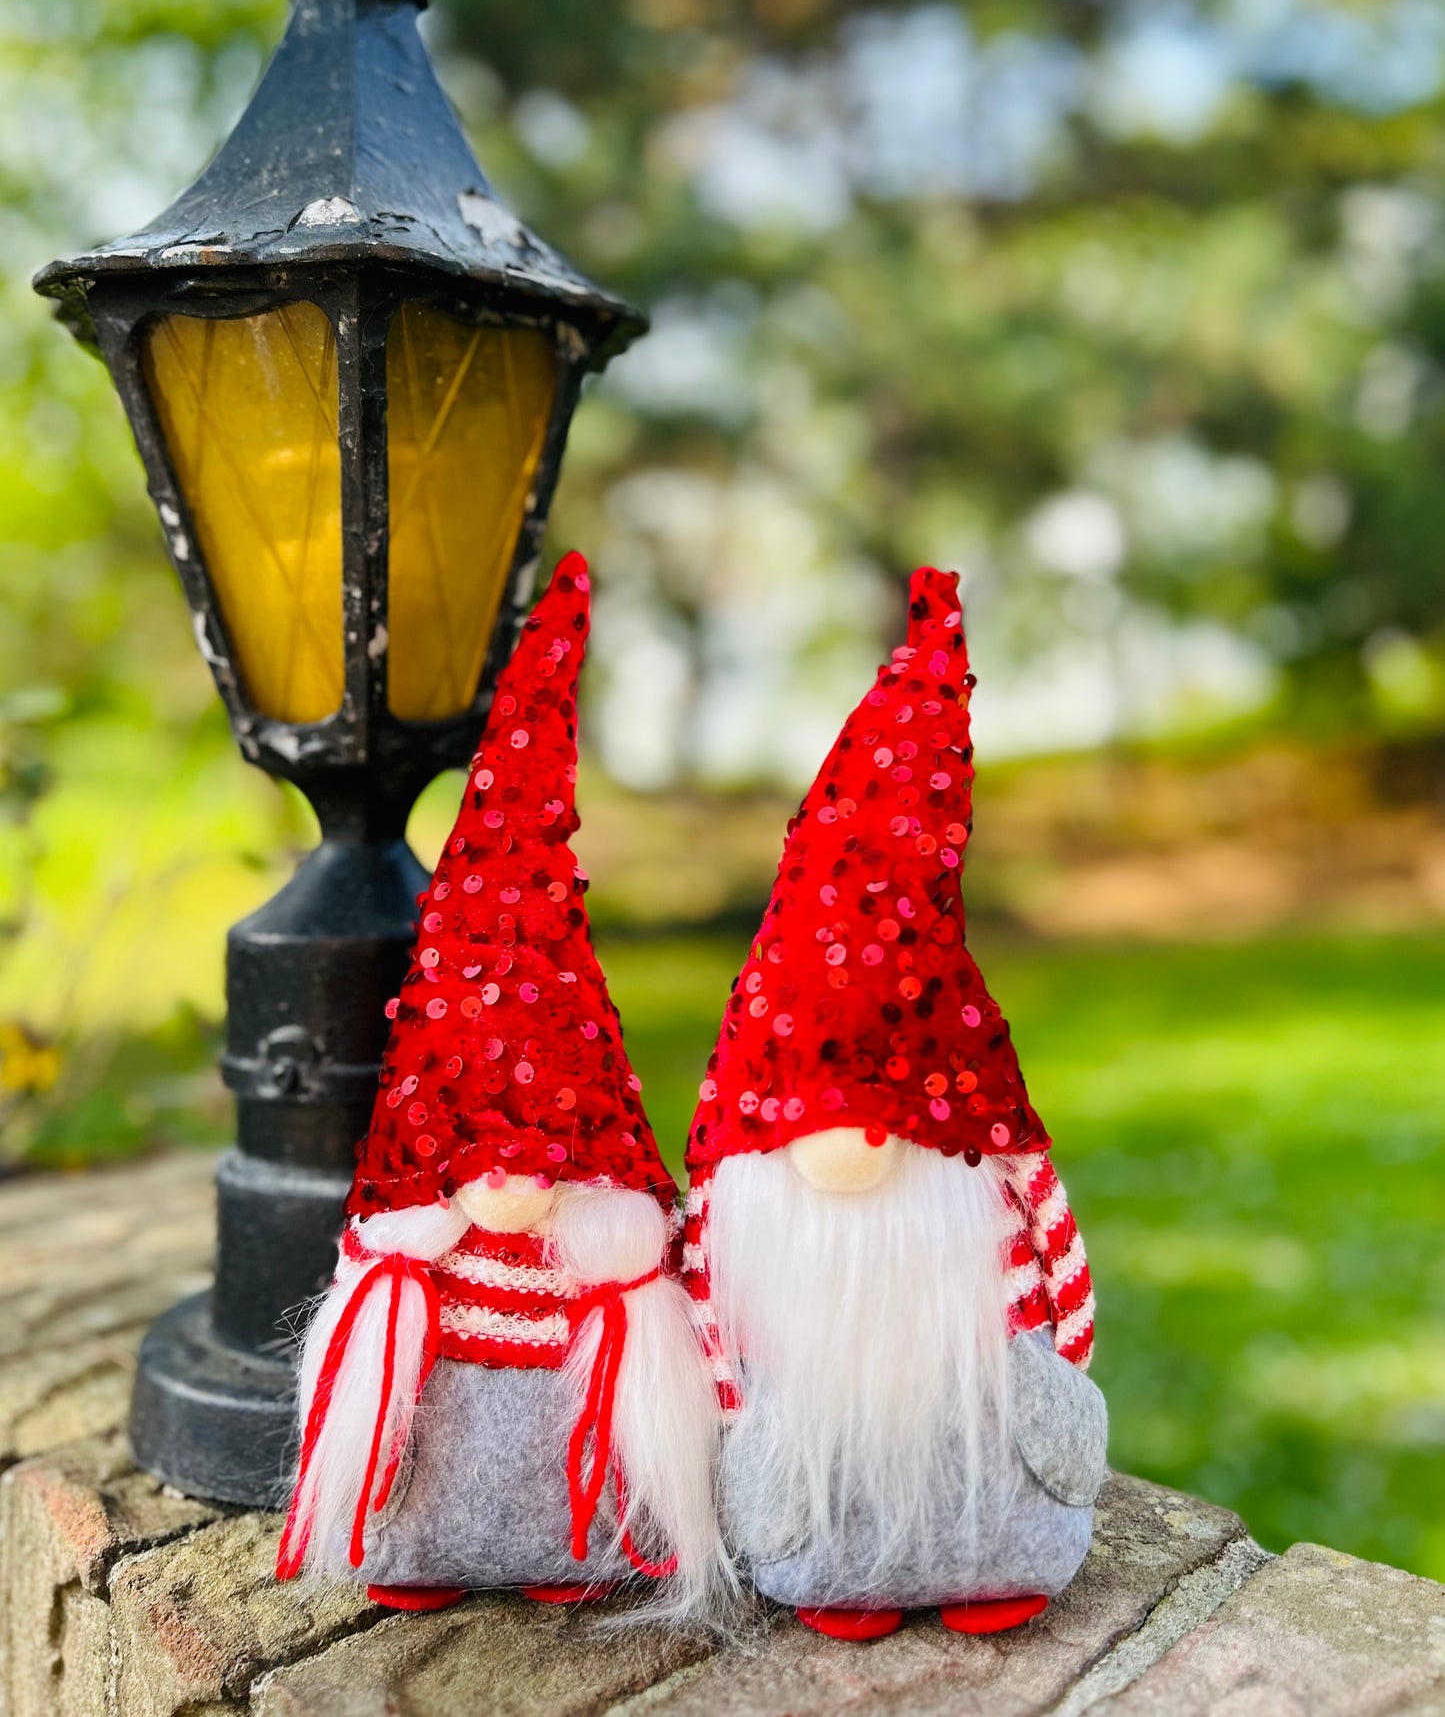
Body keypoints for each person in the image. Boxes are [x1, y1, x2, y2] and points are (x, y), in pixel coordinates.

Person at [277, 555, 725, 1619]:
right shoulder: (409, 1264)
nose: (515, 1177)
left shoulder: (606, 1265)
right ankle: (419, 1539)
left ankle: (575, 1539)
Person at [682, 566, 1106, 1641]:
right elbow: (713, 1327)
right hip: (811, 1479)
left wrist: (1053, 1390)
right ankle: (833, 1564)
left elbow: (1056, 1290)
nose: (849, 1137)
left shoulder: (986, 1179)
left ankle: (986, 1557)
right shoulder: (748, 1215)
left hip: (990, 1452)